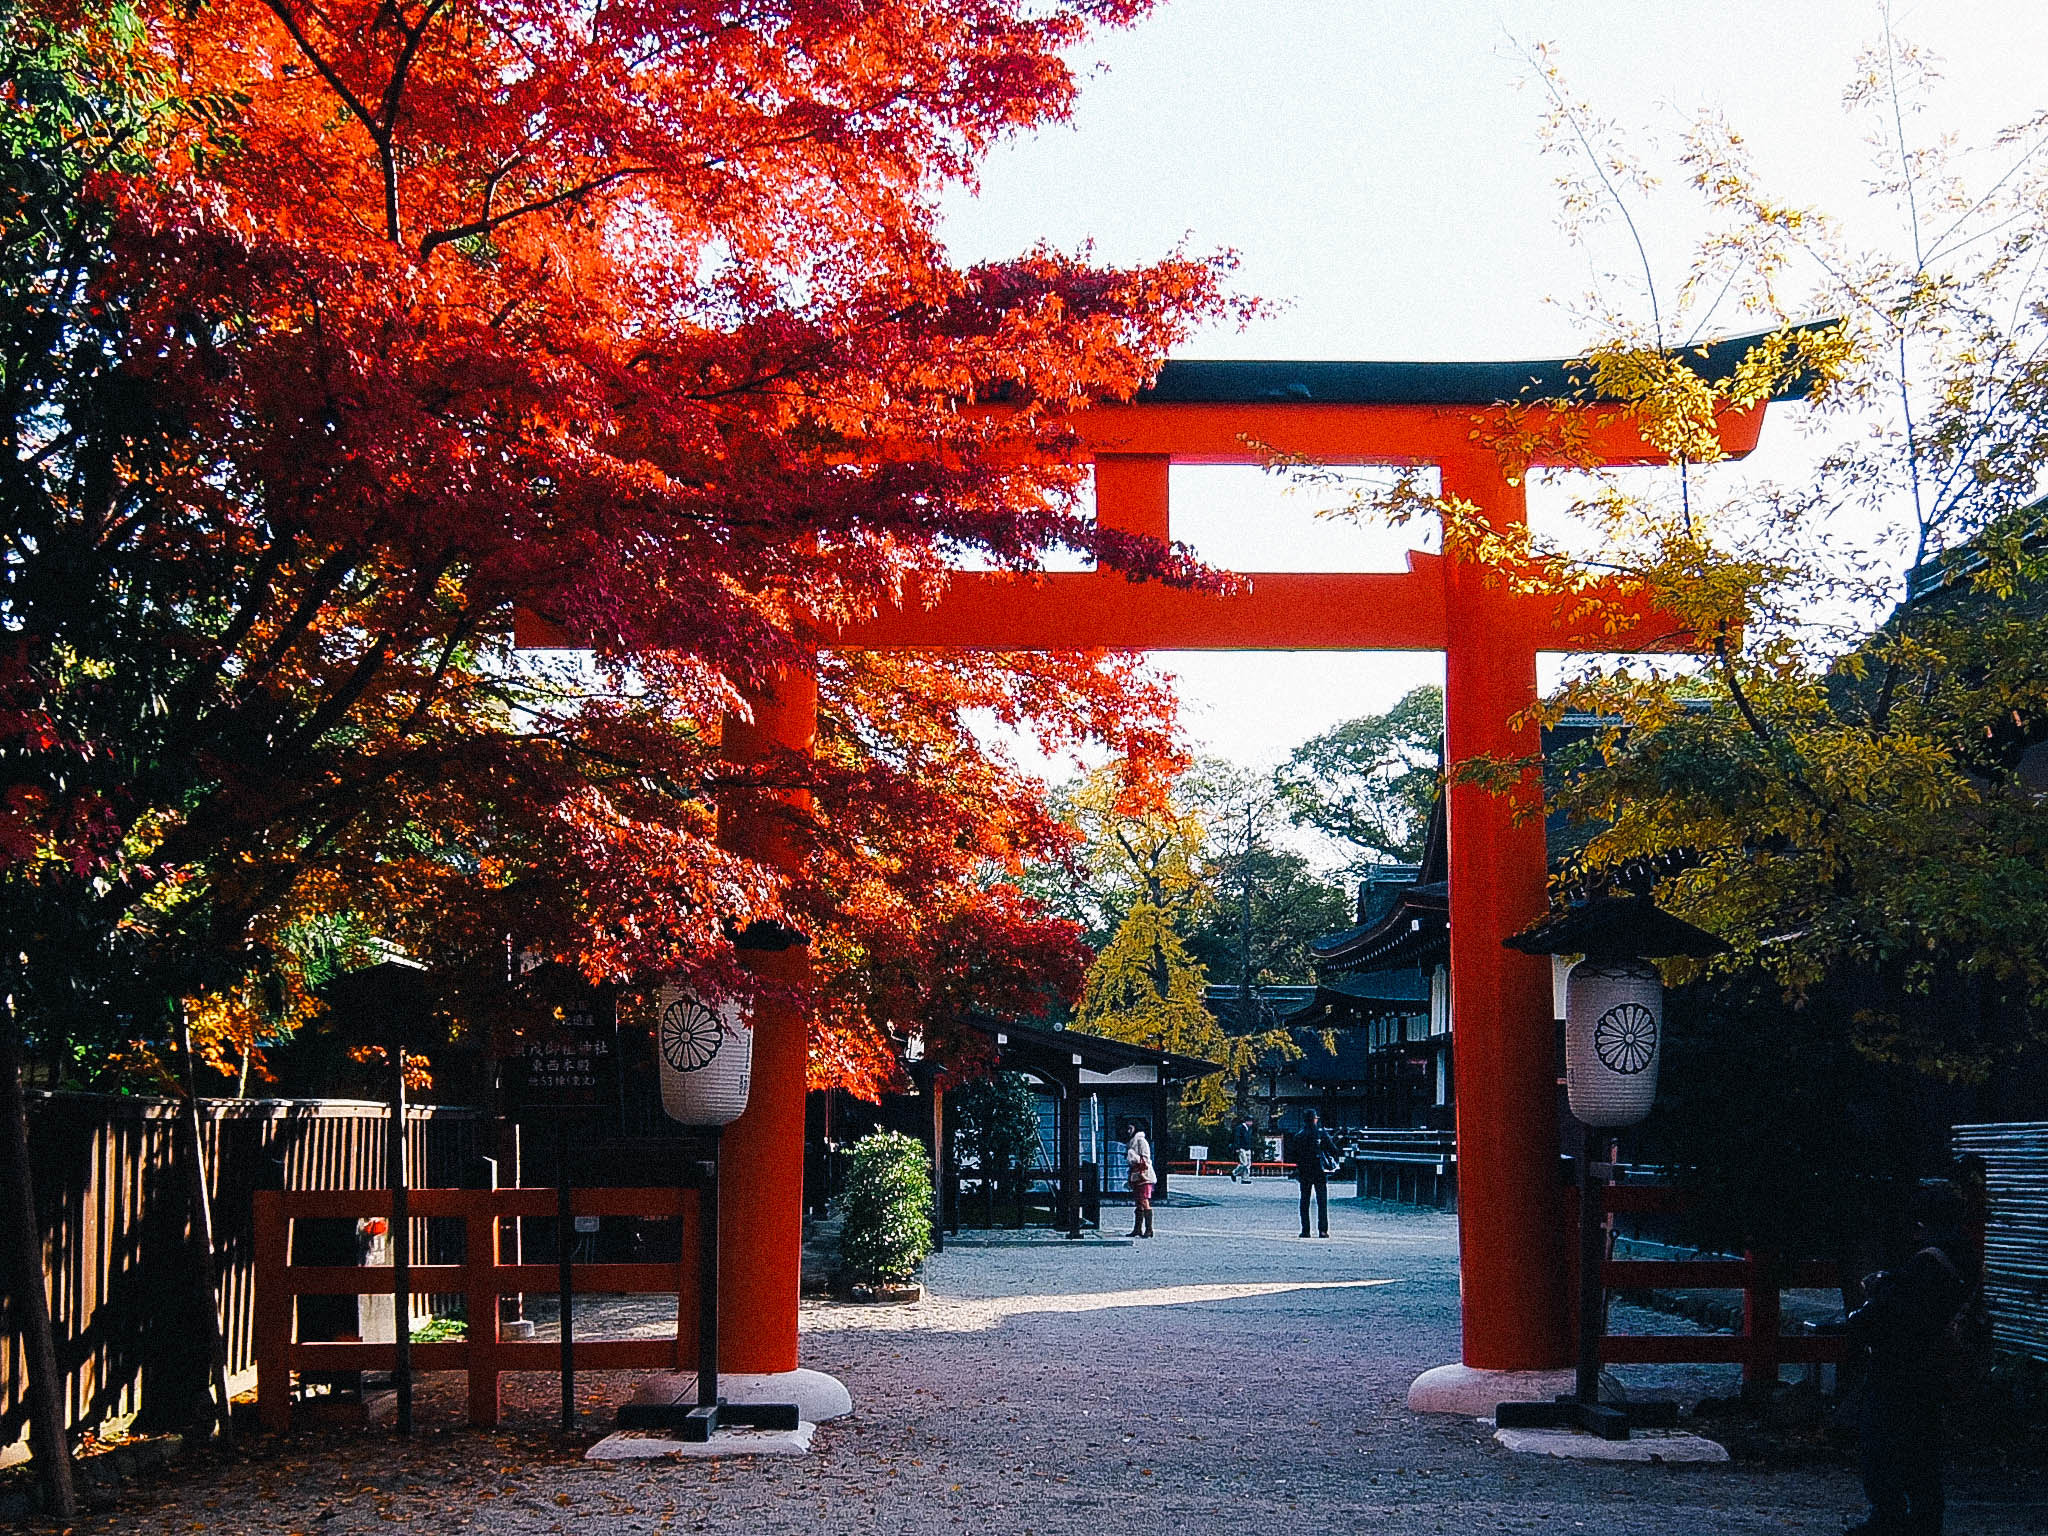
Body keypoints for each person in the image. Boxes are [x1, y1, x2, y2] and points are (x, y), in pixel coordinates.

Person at [1843, 1180, 1976, 1536]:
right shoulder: (1963, 1257)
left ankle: (1888, 1516)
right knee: (1923, 1449)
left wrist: (1864, 1312)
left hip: (1899, 1366)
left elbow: (1888, 1314)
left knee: (1880, 1444)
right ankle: (1924, 1519)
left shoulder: (1923, 1266)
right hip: (1933, 1366)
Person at [1283, 1108, 1341, 1238]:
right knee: (1322, 1201)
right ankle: (1323, 1230)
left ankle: (1305, 1230)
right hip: (1319, 1170)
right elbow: (1333, 1149)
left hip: (1304, 1170)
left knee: (1304, 1200)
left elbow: (1293, 1155)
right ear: (1315, 1119)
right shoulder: (1321, 1134)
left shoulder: (1299, 1135)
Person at [1122, 1118, 1155, 1239]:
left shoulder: (1141, 1141)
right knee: (1138, 1201)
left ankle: (1149, 1229)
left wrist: (1133, 1156)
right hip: (1135, 1174)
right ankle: (1137, 1229)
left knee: (1144, 1200)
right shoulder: (1131, 1142)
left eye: (1131, 1128)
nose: (1128, 1131)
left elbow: (1145, 1159)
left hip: (1143, 1174)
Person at [1230, 1114, 1256, 1183]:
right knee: (1244, 1163)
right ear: (1246, 1121)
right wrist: (1237, 1147)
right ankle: (1234, 1173)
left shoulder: (1249, 1129)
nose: (1251, 1123)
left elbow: (1250, 1139)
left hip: (1248, 1147)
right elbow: (1237, 1138)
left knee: (1248, 1164)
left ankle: (1245, 1178)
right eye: (1250, 1121)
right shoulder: (1240, 1128)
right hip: (1241, 1147)